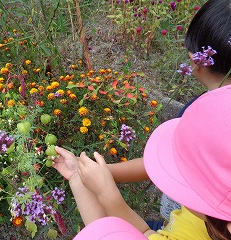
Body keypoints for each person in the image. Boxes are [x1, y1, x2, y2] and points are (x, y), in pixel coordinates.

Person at [106, 0, 231, 222]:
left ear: (196, 59)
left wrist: (105, 173)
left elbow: (162, 163)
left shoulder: (199, 115)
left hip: (191, 217)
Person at [53, 85, 231, 239]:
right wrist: (79, 174)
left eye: (185, 178)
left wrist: (106, 193)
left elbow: (110, 233)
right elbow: (146, 233)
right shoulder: (214, 214)